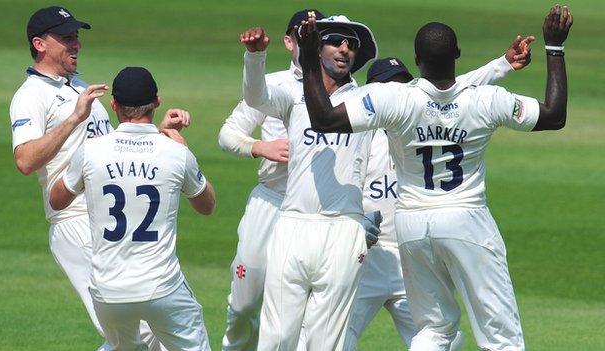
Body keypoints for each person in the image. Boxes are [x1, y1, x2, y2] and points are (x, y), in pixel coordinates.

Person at [296, 5, 572, 351]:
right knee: (501, 337)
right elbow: (554, 115)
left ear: (416, 58)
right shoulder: (486, 100)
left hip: (411, 224)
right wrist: (554, 47)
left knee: (433, 330)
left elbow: (323, 119)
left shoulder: (396, 98)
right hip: (467, 220)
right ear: (457, 55)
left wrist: (309, 57)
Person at [9, 6, 187, 350]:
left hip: (107, 219)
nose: (76, 43)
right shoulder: (30, 96)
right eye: (66, 38)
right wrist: (74, 118)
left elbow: (108, 146)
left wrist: (155, 132)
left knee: (139, 327)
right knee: (138, 331)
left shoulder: (76, 83)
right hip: (74, 220)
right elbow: (25, 160)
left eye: (76, 36)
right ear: (39, 44)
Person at [346, 41, 533, 351]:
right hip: (371, 257)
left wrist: (500, 65)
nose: (399, 94)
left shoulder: (414, 117)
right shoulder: (359, 141)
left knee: (441, 337)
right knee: (335, 333)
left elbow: (455, 92)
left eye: (403, 85)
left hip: (410, 252)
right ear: (375, 98)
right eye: (389, 89)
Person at [49, 67, 215, 351]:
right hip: (162, 287)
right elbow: (206, 205)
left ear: (114, 105)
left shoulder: (91, 151)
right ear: (157, 102)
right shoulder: (175, 152)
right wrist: (185, 148)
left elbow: (57, 200)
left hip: (108, 293)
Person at [241, 15, 379, 350]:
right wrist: (255, 58)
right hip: (293, 224)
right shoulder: (292, 95)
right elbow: (256, 98)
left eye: (352, 44)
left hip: (343, 228)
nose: (344, 49)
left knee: (325, 341)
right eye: (335, 40)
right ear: (317, 48)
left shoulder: (369, 99)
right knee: (276, 337)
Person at [219, 11, 324, 350]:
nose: (309, 40)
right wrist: (260, 146)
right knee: (246, 302)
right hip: (270, 200)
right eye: (302, 34)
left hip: (316, 209)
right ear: (289, 41)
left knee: (307, 312)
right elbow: (228, 134)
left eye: (317, 34)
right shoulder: (275, 85)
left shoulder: (340, 88)